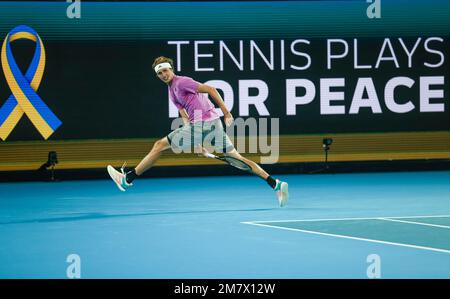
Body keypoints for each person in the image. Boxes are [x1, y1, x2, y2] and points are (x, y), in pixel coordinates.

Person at [107, 56, 289, 206]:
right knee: (238, 160)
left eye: (165, 70)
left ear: (171, 69)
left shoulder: (181, 82)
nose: (163, 74)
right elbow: (185, 117)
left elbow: (211, 89)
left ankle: (128, 178)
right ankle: (276, 184)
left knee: (159, 145)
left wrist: (227, 112)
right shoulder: (172, 91)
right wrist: (198, 144)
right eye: (159, 73)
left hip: (205, 123)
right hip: (211, 125)